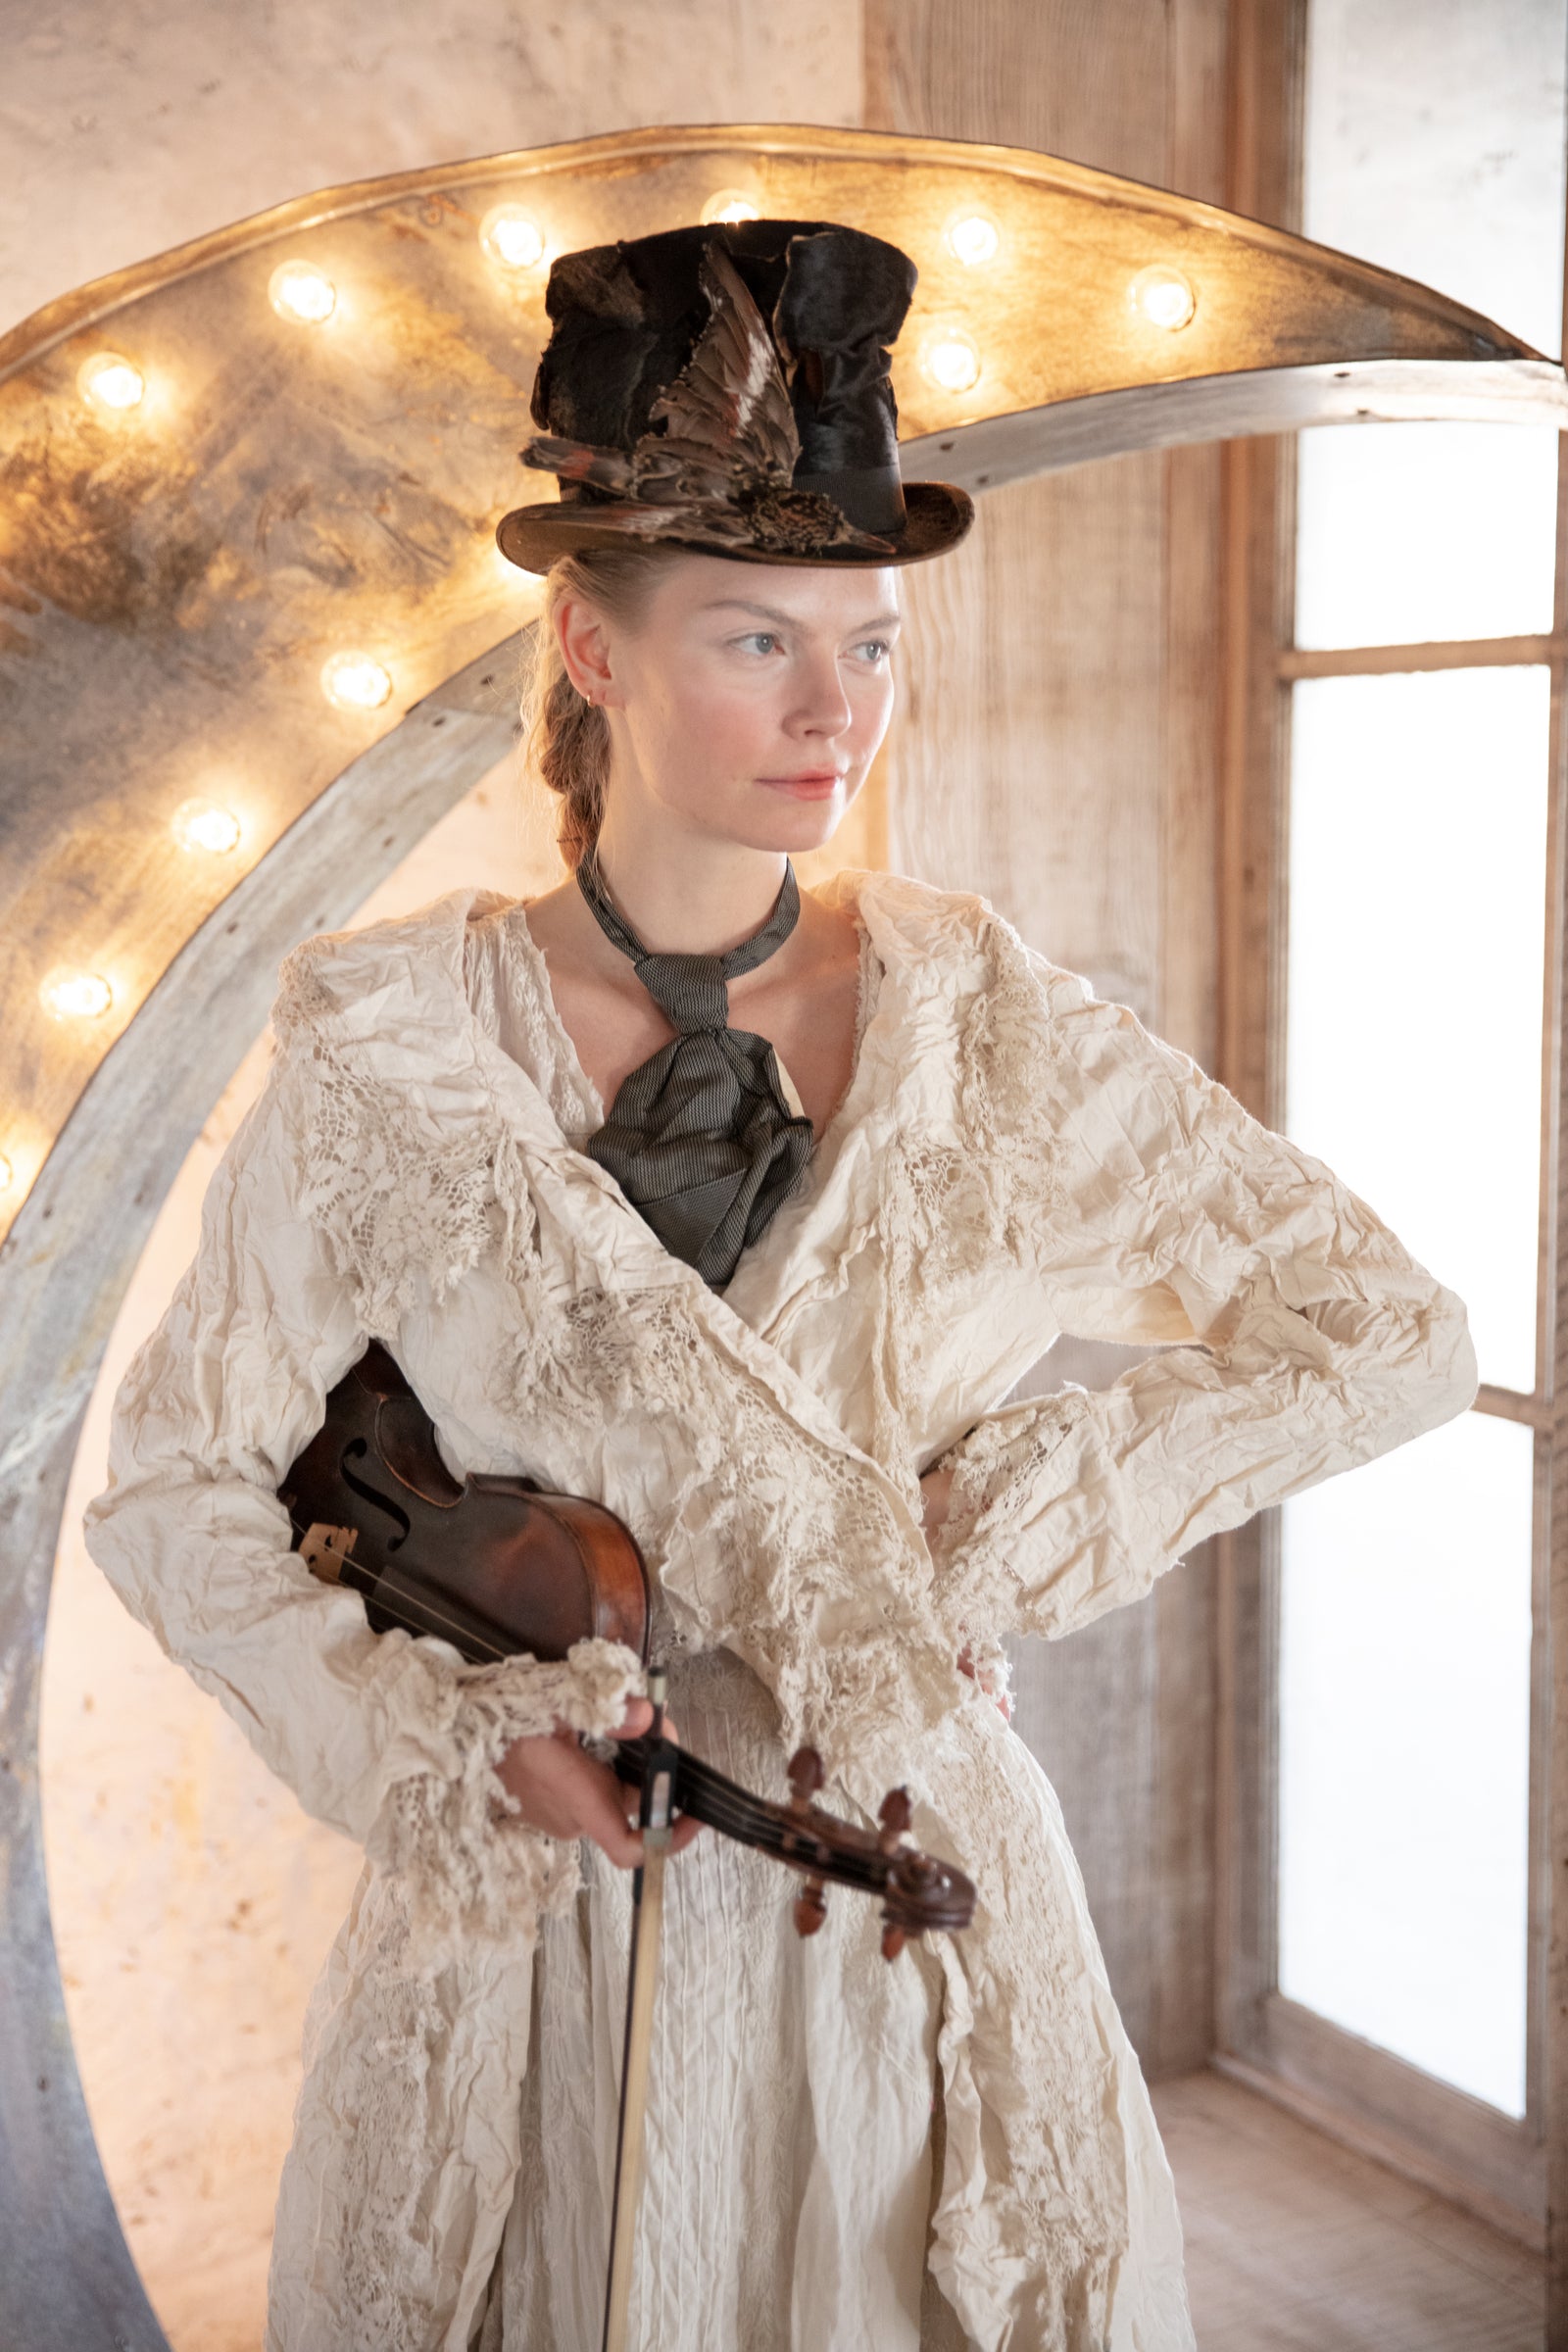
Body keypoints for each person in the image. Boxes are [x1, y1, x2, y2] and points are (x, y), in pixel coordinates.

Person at [83, 217, 1477, 2352]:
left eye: (872, 645)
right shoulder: (394, 1055)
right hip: (543, 1953)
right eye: (756, 640)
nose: (836, 712)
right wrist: (454, 1749)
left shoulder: (990, 1037)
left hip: (899, 1935)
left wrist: (985, 1530)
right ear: (592, 646)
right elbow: (178, 1490)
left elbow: (1389, 1337)